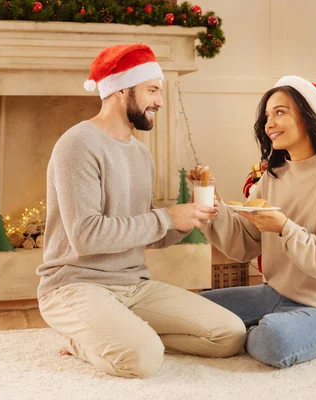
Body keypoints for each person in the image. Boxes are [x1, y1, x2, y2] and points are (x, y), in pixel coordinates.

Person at [36, 44, 246, 379]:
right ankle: (86, 342)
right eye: (152, 90)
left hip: (134, 285)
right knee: (142, 360)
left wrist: (187, 219)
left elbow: (142, 235)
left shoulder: (140, 154)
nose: (159, 102)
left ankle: (127, 334)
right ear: (121, 88)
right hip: (75, 286)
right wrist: (166, 217)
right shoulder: (77, 144)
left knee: (229, 335)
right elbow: (87, 237)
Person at [199, 76, 316, 368]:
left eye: (280, 112)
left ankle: (244, 332)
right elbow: (244, 244)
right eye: (267, 116)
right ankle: (247, 328)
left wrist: (285, 229)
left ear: (308, 116)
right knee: (193, 310)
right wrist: (214, 206)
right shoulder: (272, 177)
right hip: (274, 294)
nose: (269, 123)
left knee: (273, 340)